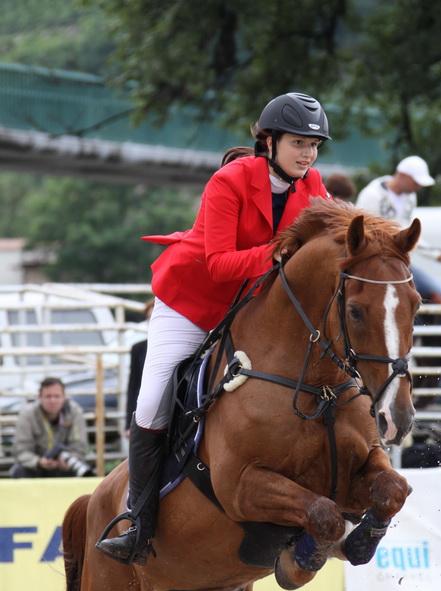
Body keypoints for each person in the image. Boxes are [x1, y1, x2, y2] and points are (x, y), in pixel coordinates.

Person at [97, 91, 332, 565]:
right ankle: (138, 522)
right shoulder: (230, 180)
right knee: (153, 400)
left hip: (247, 311)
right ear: (269, 141)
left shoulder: (312, 186)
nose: (308, 154)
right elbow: (221, 264)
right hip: (192, 304)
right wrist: (278, 252)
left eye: (313, 145)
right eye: (298, 143)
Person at [356, 155, 441, 303]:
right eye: (416, 182)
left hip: (399, 261)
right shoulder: (372, 195)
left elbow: (408, 232)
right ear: (402, 175)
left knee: (440, 295)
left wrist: (437, 255)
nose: (418, 186)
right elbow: (364, 232)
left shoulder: (410, 197)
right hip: (374, 263)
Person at [10, 377, 92, 478]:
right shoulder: (27, 414)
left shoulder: (75, 412)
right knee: (19, 471)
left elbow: (80, 446)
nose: (52, 400)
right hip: (36, 467)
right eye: (48, 396)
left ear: (64, 397)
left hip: (65, 466)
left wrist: (69, 459)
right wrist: (39, 462)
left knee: (84, 471)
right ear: (39, 397)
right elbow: (21, 450)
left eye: (57, 396)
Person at [125, 299, 154, 437]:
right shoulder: (138, 349)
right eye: (149, 318)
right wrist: (128, 424)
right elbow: (133, 386)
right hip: (143, 411)